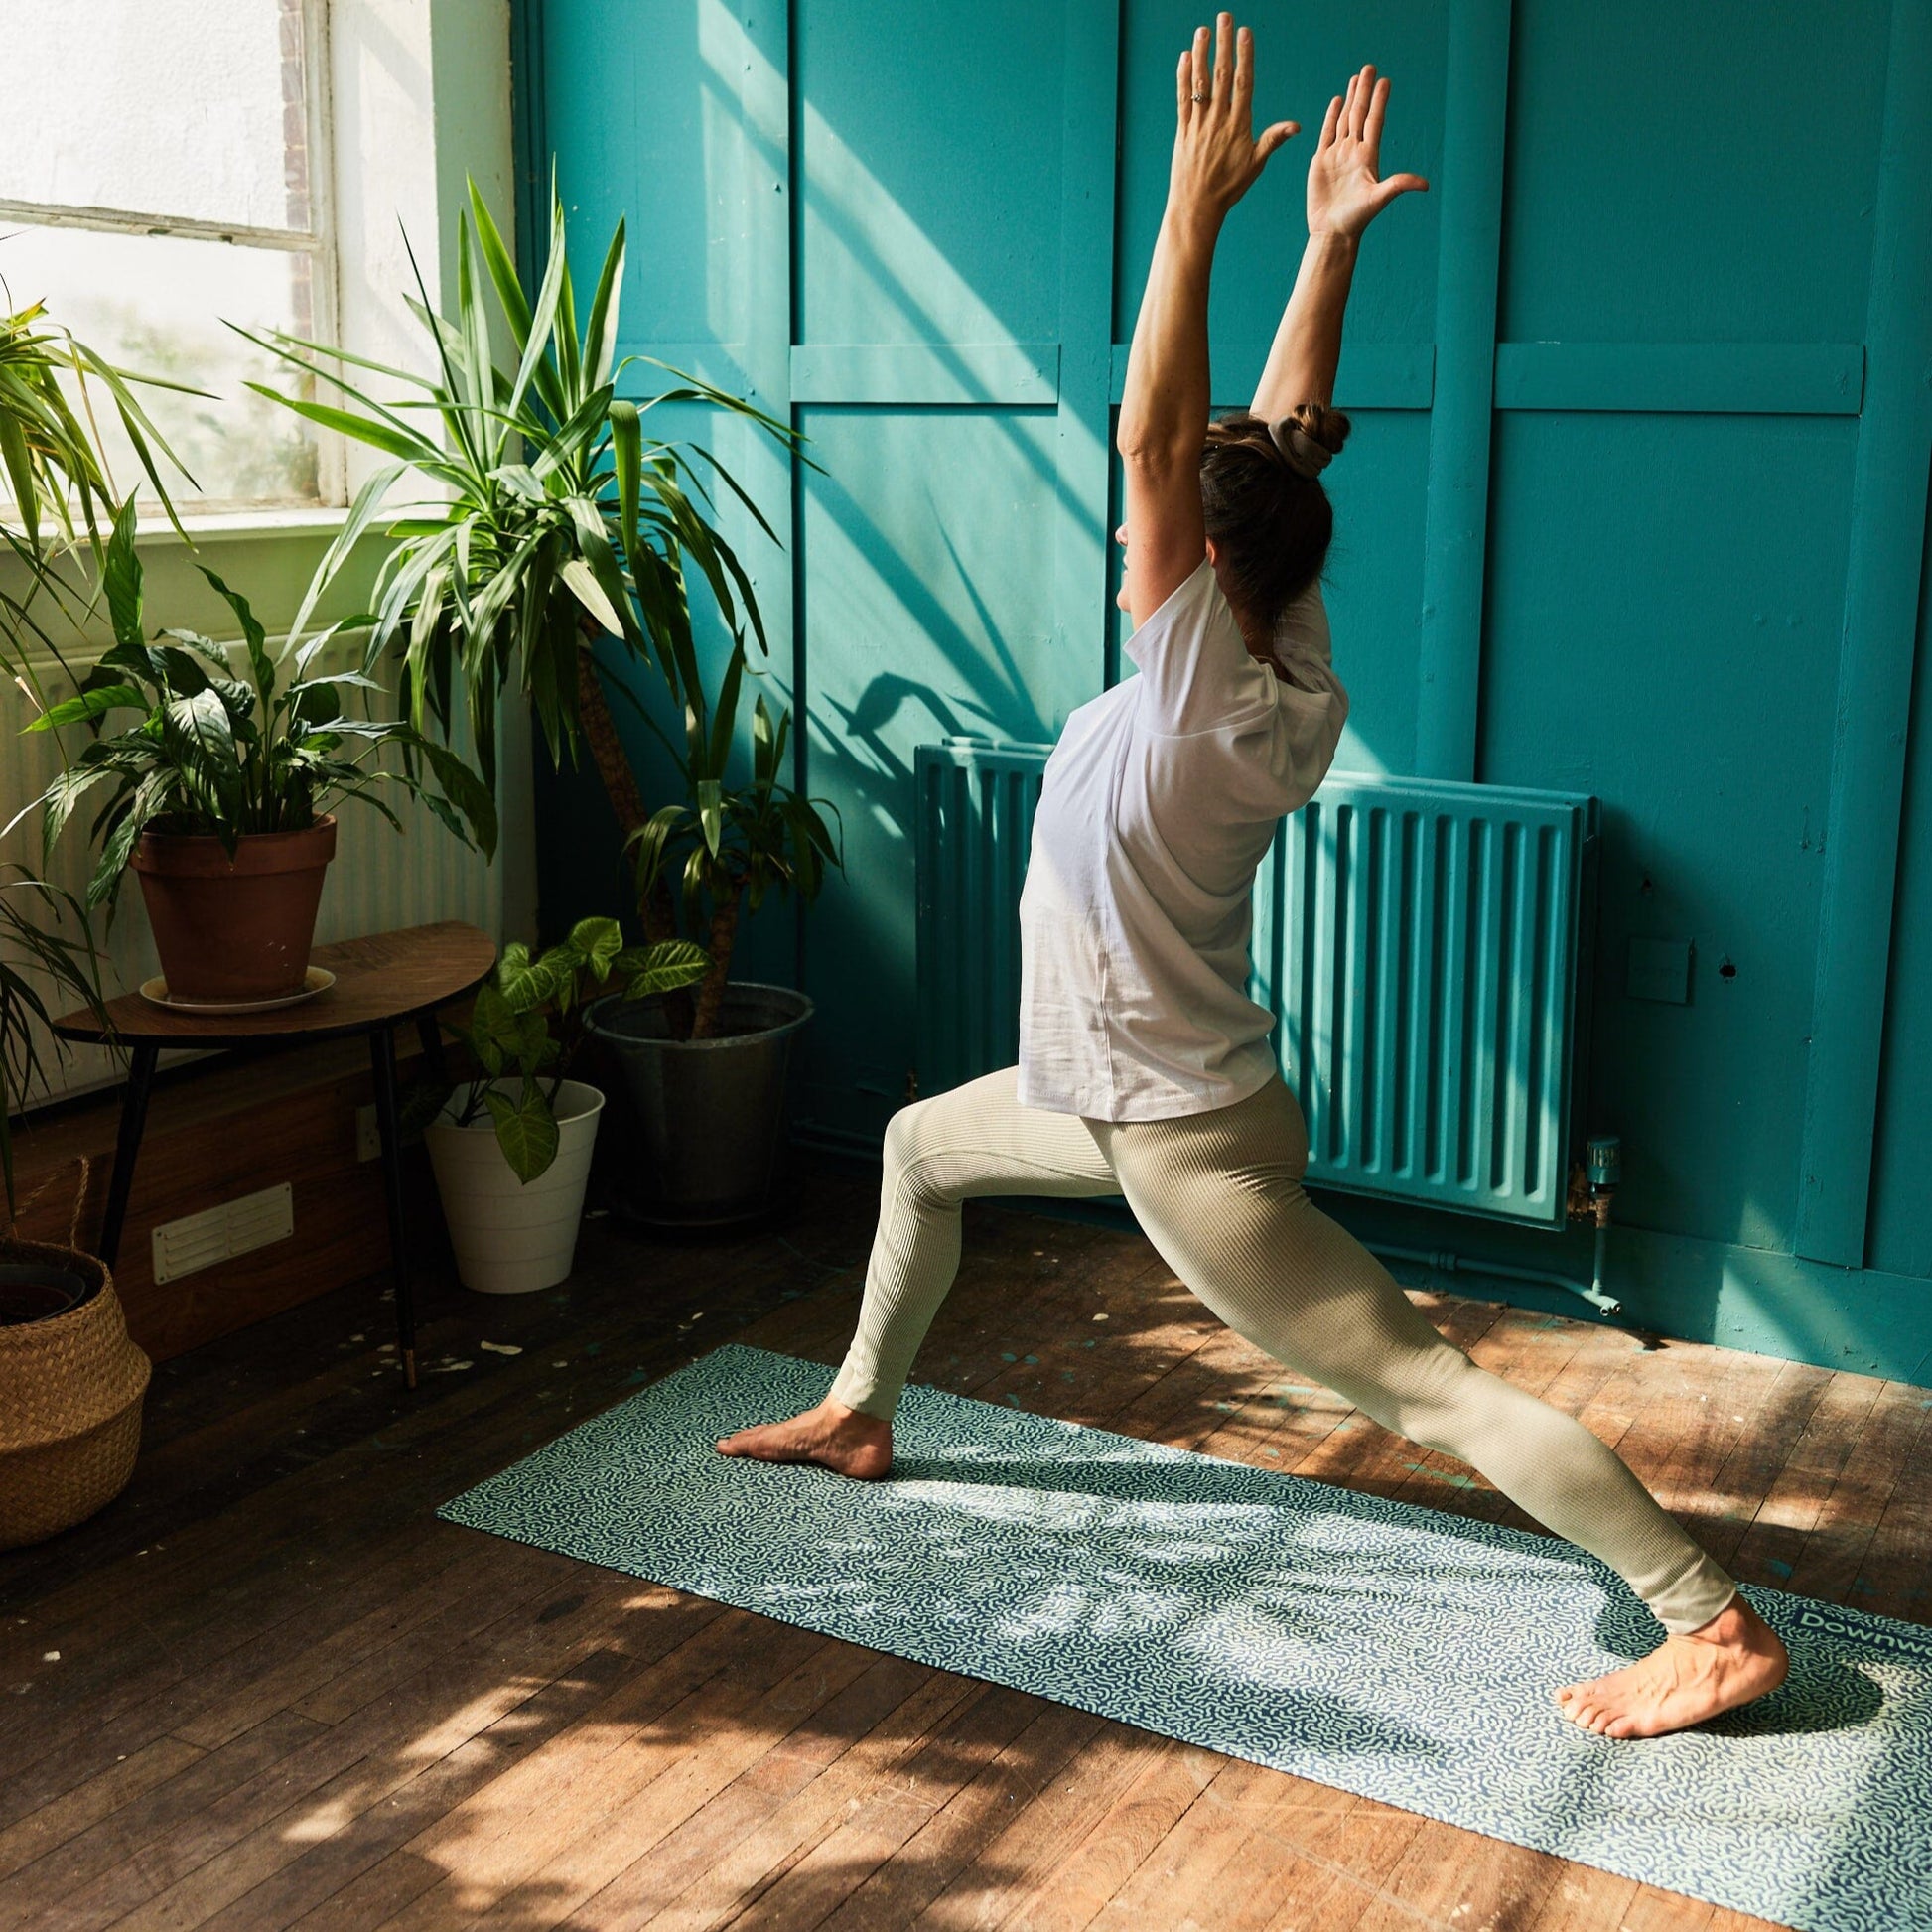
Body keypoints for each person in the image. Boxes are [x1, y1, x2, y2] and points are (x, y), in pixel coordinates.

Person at [720, 15, 1789, 1741]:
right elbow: (1270, 445)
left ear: (1195, 560)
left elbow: (1167, 444)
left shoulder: (1198, 676)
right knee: (921, 1146)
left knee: (1424, 1387)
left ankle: (1707, 1619)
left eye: (1164, 514)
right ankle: (861, 1407)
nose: (1139, 514)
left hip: (1181, 1143)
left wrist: (1194, 213)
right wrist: (1327, 242)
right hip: (1144, 1087)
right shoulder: (1272, 644)